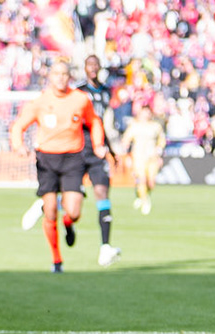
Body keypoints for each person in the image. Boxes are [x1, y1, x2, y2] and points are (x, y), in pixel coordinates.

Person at [23, 60, 102, 274]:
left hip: (73, 158)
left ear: (70, 77)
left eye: (64, 74)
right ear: (50, 76)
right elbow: (18, 126)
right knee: (50, 211)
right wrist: (19, 146)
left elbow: (94, 122)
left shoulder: (80, 99)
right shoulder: (40, 101)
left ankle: (68, 222)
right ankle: (57, 260)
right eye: (56, 73)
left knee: (74, 211)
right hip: (46, 159)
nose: (60, 77)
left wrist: (99, 144)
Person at [78, 55, 120, 266]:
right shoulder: (78, 91)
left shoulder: (105, 92)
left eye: (96, 64)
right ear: (85, 68)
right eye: (89, 64)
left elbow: (103, 123)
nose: (93, 68)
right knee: (71, 199)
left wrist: (112, 151)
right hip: (78, 147)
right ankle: (47, 208)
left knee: (102, 192)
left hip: (98, 149)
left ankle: (105, 247)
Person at [125, 103, 165, 214]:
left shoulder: (156, 126)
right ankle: (145, 201)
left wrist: (160, 152)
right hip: (138, 156)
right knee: (141, 179)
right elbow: (127, 141)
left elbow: (161, 141)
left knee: (151, 182)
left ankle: (141, 194)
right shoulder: (134, 125)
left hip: (152, 157)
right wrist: (128, 157)